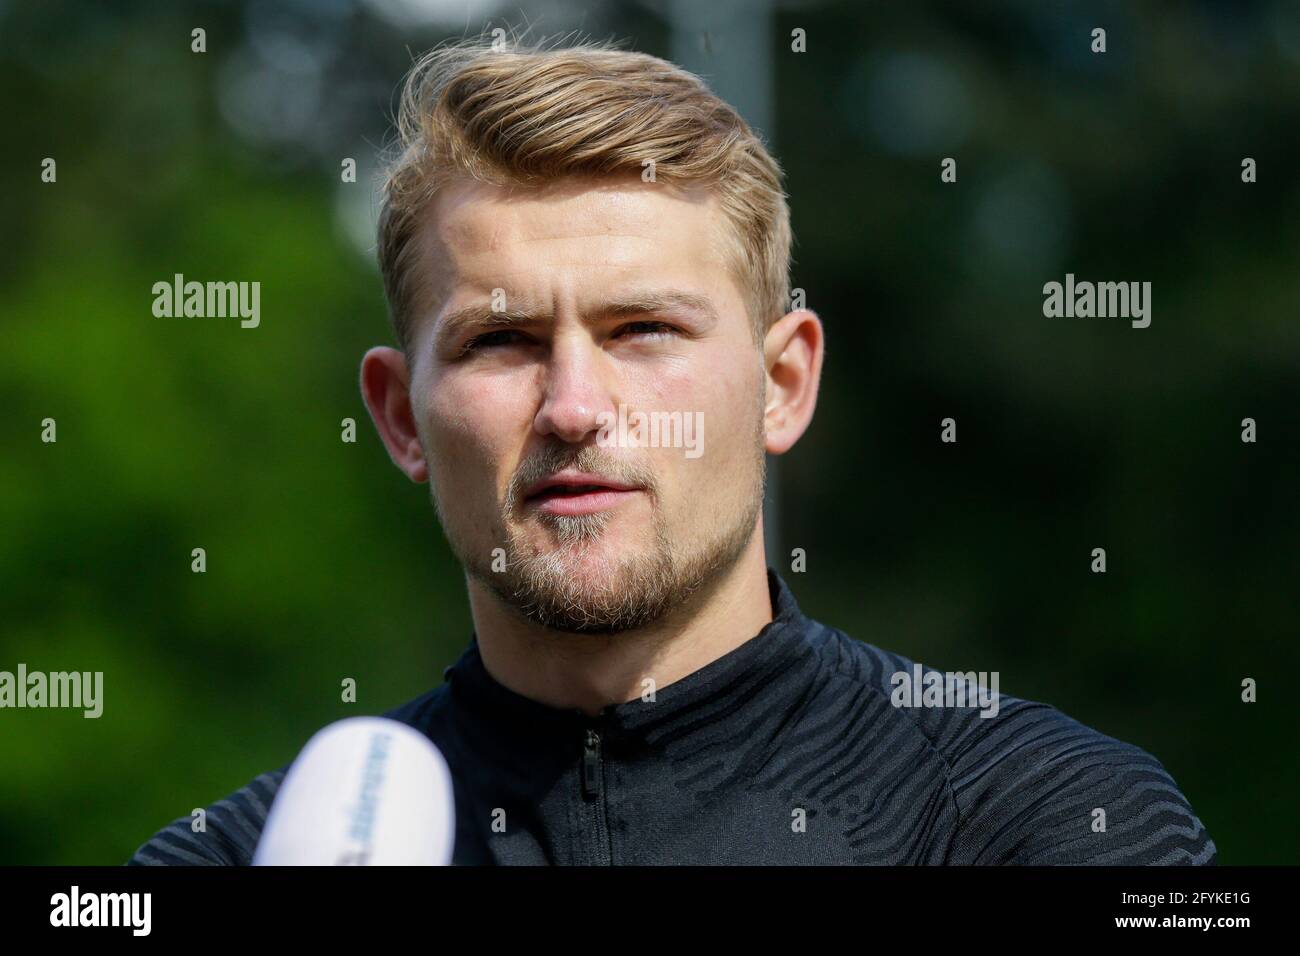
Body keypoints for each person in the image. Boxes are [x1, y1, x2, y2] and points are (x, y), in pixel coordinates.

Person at [130, 38, 1215, 865]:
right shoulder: (228, 858)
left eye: (642, 329)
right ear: (401, 416)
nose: (572, 406)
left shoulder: (1048, 823)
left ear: (782, 384)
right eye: (499, 340)